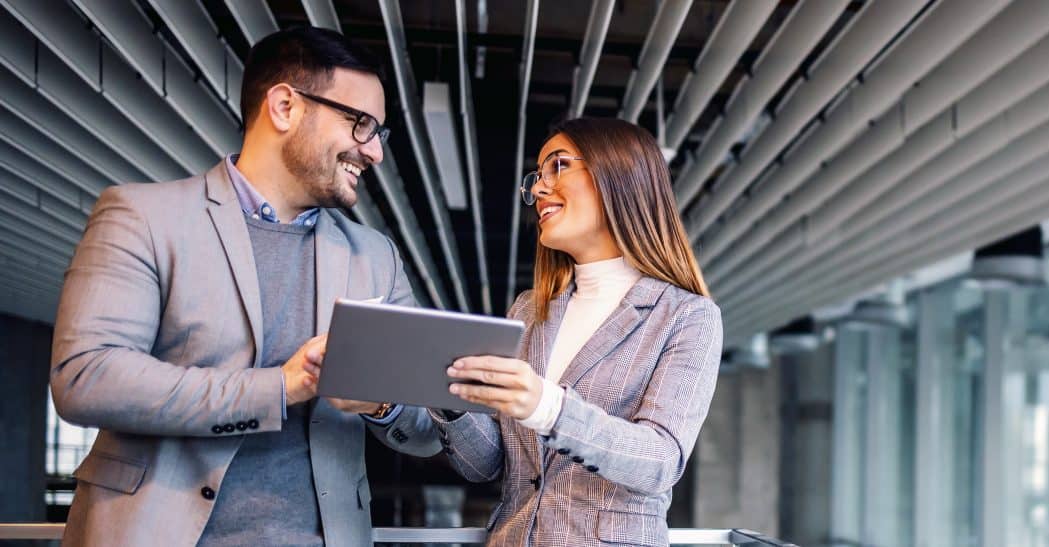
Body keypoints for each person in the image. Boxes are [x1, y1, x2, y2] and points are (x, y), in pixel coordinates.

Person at [50, 27, 440, 546]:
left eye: (378, 133)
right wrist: (280, 388)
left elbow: (428, 427)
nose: (375, 153)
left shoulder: (375, 257)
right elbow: (87, 377)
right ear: (284, 106)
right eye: (361, 124)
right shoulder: (144, 216)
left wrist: (380, 403)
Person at [433, 117, 721, 546]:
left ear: (618, 176)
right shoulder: (531, 309)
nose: (537, 189)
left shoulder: (686, 316)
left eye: (559, 166)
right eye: (536, 176)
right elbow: (489, 466)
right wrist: (450, 400)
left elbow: (659, 461)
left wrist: (548, 407)